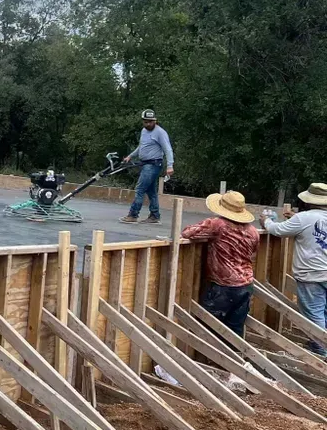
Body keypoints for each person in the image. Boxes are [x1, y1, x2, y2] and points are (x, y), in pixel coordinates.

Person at [261, 183, 327, 356]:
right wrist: (297, 217)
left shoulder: (303, 218)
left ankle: (321, 351)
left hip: (311, 274)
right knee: (324, 311)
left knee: (314, 314)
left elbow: (277, 230)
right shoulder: (305, 218)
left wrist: (266, 221)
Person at [181, 191, 259, 337]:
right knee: (235, 329)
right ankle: (235, 357)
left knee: (208, 327)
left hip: (223, 286)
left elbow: (187, 233)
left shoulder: (218, 224)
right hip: (246, 285)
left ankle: (209, 358)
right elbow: (253, 253)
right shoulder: (253, 231)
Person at [120, 109, 174, 224]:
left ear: (155, 120)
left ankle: (133, 215)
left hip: (153, 164)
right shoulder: (144, 131)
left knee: (140, 189)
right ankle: (154, 215)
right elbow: (141, 146)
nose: (148, 124)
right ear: (143, 121)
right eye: (146, 122)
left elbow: (168, 149)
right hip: (145, 164)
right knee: (151, 191)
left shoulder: (160, 132)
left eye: (150, 121)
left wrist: (170, 165)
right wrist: (130, 156)